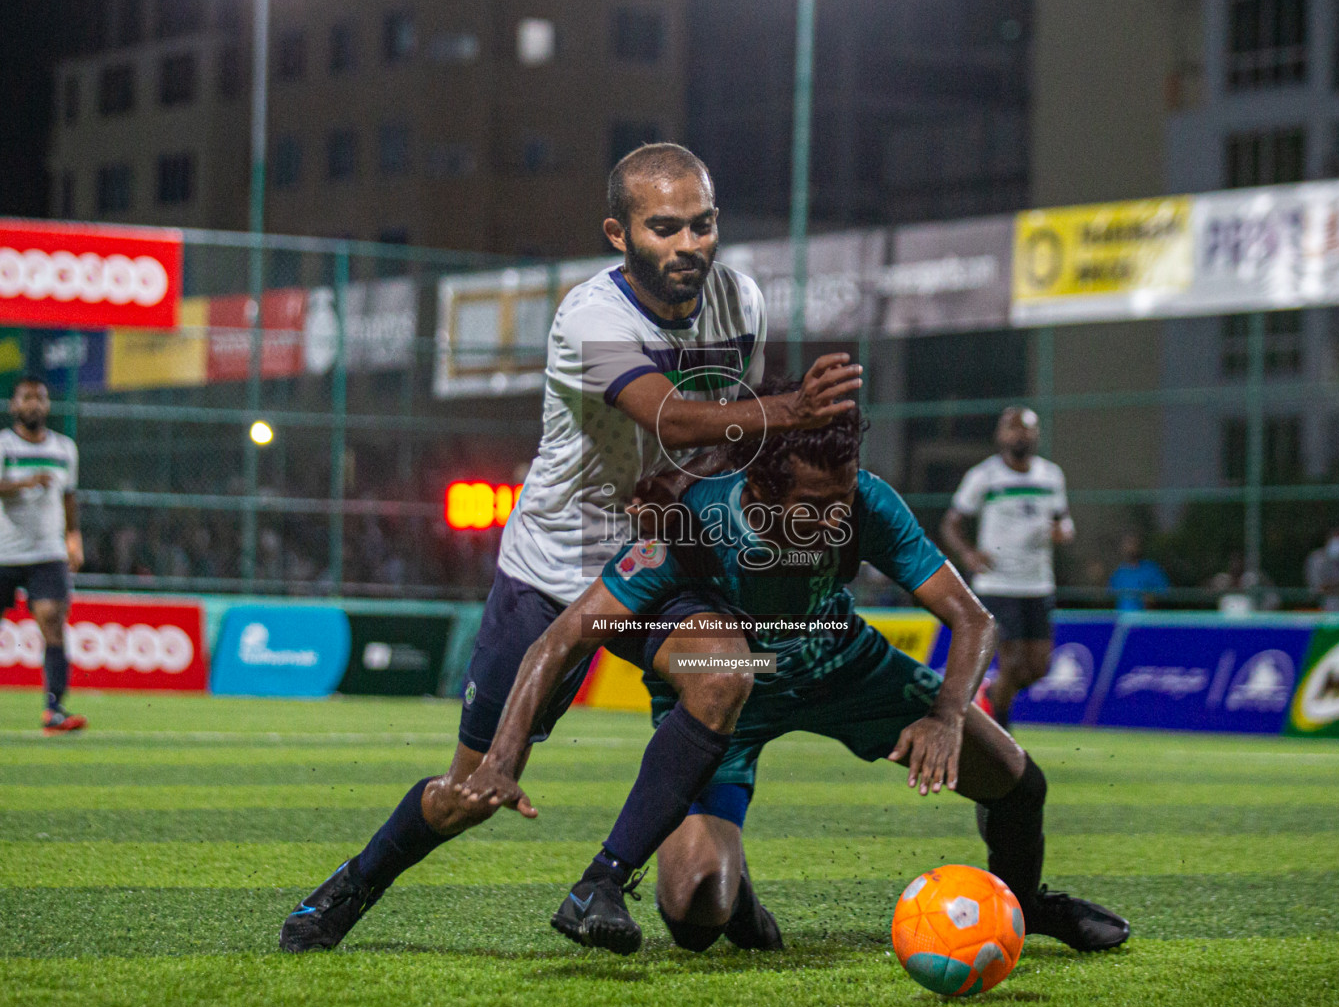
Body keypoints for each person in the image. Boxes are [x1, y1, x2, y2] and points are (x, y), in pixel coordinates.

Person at [279, 143, 863, 952]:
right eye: (664, 228)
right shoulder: (592, 316)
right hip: (552, 571)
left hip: (660, 565)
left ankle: (608, 884)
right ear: (618, 235)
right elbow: (672, 416)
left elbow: (723, 436)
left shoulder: (742, 303)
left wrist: (734, 500)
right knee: (470, 791)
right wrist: (791, 411)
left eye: (702, 225)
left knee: (721, 678)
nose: (688, 245)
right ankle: (352, 886)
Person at [462, 387, 1129, 956]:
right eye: (814, 505)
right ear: (760, 488)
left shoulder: (867, 502)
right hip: (732, 686)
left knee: (1018, 784)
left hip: (843, 662)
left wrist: (948, 716)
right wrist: (503, 755)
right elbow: (563, 638)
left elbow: (975, 619)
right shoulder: (696, 520)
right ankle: (736, 896)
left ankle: (1025, 905)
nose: (837, 519)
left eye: (842, 499)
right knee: (696, 919)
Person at [0, 376, 86, 733]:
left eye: (40, 398)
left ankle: (54, 709)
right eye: (27, 398)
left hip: (48, 552)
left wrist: (73, 538)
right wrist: (21, 483)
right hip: (0, 554)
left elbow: (69, 497)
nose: (34, 404)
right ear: (14, 406)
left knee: (53, 622)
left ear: (47, 405)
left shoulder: (64, 449)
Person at [939, 407, 1073, 728]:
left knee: (1039, 667)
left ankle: (994, 694)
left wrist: (1063, 531)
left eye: (1026, 429)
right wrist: (968, 554)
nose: (1019, 435)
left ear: (1037, 434)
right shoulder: (984, 476)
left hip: (1038, 582)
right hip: (997, 583)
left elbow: (1064, 521)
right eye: (1013, 429)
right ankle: (1002, 728)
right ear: (1000, 435)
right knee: (1011, 662)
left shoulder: (1051, 475)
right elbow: (951, 523)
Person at [1107, 533, 1169, 611]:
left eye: (1134, 543)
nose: (1131, 547)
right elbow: (1109, 597)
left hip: (1145, 620)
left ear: (1139, 546)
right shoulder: (1118, 574)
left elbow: (1166, 593)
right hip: (1122, 620)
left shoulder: (1152, 569)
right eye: (1128, 543)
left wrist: (1152, 597)